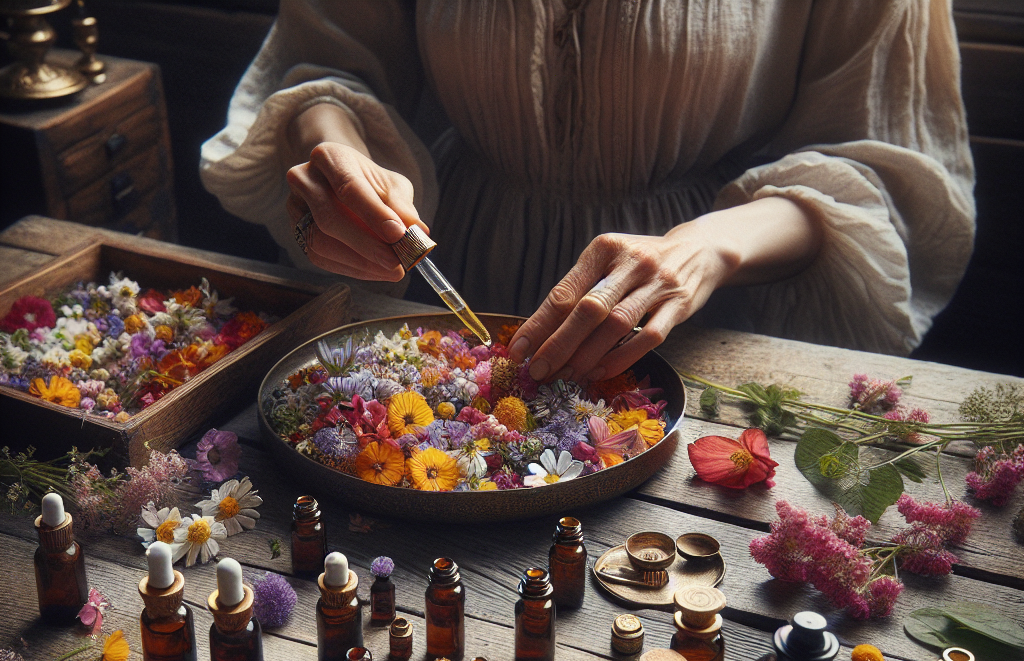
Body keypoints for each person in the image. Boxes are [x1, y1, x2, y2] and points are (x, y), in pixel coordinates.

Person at [201, 0, 974, 383]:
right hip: (451, 263)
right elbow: (326, 65)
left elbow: (880, 167)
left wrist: (706, 247)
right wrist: (334, 150)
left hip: (700, 317)